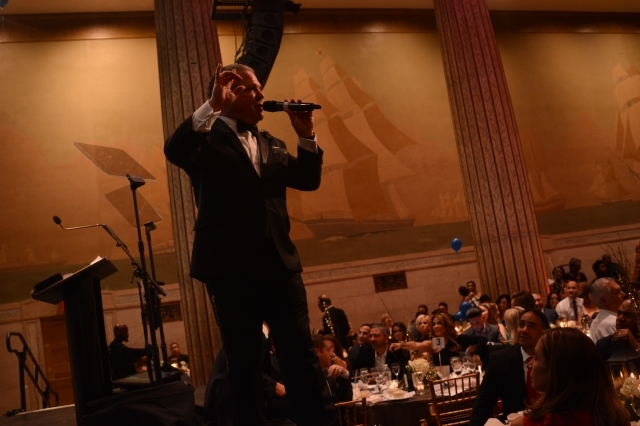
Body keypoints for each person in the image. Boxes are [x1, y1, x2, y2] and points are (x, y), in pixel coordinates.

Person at [164, 63, 333, 426]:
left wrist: (306, 135)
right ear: (230, 93)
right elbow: (175, 149)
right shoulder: (204, 140)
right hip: (230, 269)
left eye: (260, 88)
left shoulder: (272, 142)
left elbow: (308, 180)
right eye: (253, 89)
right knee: (244, 363)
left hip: (280, 264)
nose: (261, 95)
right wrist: (213, 105)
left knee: (301, 356)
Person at [511, 328, 629, 426]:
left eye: (536, 357)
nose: (530, 364)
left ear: (557, 368)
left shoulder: (530, 424)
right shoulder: (616, 418)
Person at [470, 310, 550, 426]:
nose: (524, 330)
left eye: (531, 326)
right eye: (521, 325)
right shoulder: (501, 360)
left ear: (544, 332)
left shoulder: (553, 358)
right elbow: (484, 402)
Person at [391, 313, 479, 367]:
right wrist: (401, 345)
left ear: (446, 325)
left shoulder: (457, 339)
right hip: (443, 381)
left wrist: (476, 354)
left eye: (439, 323)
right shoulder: (438, 342)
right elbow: (416, 345)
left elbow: (482, 340)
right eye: (433, 324)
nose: (436, 326)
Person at [312, 334, 353, 403]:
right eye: (328, 350)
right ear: (316, 352)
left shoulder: (328, 373)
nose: (332, 354)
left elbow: (346, 399)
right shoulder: (309, 377)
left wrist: (344, 374)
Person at [589, 277, 625, 342]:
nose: (624, 294)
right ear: (604, 301)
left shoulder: (595, 322)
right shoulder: (615, 324)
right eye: (617, 292)